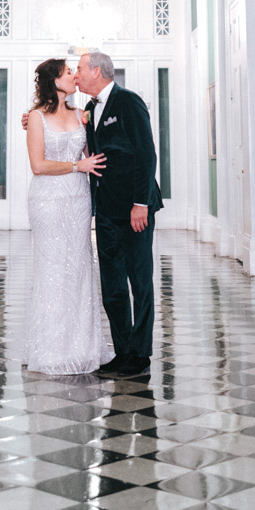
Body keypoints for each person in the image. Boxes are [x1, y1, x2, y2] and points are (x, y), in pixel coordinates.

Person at [77, 50, 162, 379]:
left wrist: (141, 202)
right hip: (107, 211)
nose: (77, 74)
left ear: (97, 71)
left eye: (81, 69)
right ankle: (122, 350)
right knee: (111, 284)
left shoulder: (129, 101)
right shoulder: (88, 109)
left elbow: (146, 152)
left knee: (139, 282)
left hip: (134, 209)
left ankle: (140, 355)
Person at [23, 57, 106, 376]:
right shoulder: (35, 117)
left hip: (78, 199)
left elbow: (92, 153)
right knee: (53, 269)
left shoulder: (81, 114)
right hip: (48, 200)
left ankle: (83, 347)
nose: (74, 76)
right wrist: (76, 167)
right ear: (54, 81)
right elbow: (38, 165)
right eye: (68, 72)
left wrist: (84, 164)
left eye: (75, 71)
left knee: (79, 267)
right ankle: (52, 348)